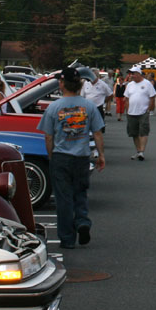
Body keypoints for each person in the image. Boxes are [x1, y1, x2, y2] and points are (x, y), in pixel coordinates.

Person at [37, 66, 105, 250]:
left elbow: (48, 136)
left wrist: (51, 156)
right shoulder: (89, 106)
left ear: (61, 84)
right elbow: (97, 133)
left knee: (63, 198)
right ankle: (82, 221)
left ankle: (67, 238)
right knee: (80, 193)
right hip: (82, 156)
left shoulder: (54, 107)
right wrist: (100, 155)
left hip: (61, 156)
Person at [123, 66, 156, 161]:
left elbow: (152, 97)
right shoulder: (130, 85)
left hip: (143, 111)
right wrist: (127, 110)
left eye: (133, 73)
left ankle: (142, 151)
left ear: (138, 74)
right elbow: (126, 98)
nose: (132, 75)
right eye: (131, 74)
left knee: (143, 131)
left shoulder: (147, 84)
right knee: (134, 133)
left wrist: (149, 109)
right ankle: (138, 151)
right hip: (131, 112)